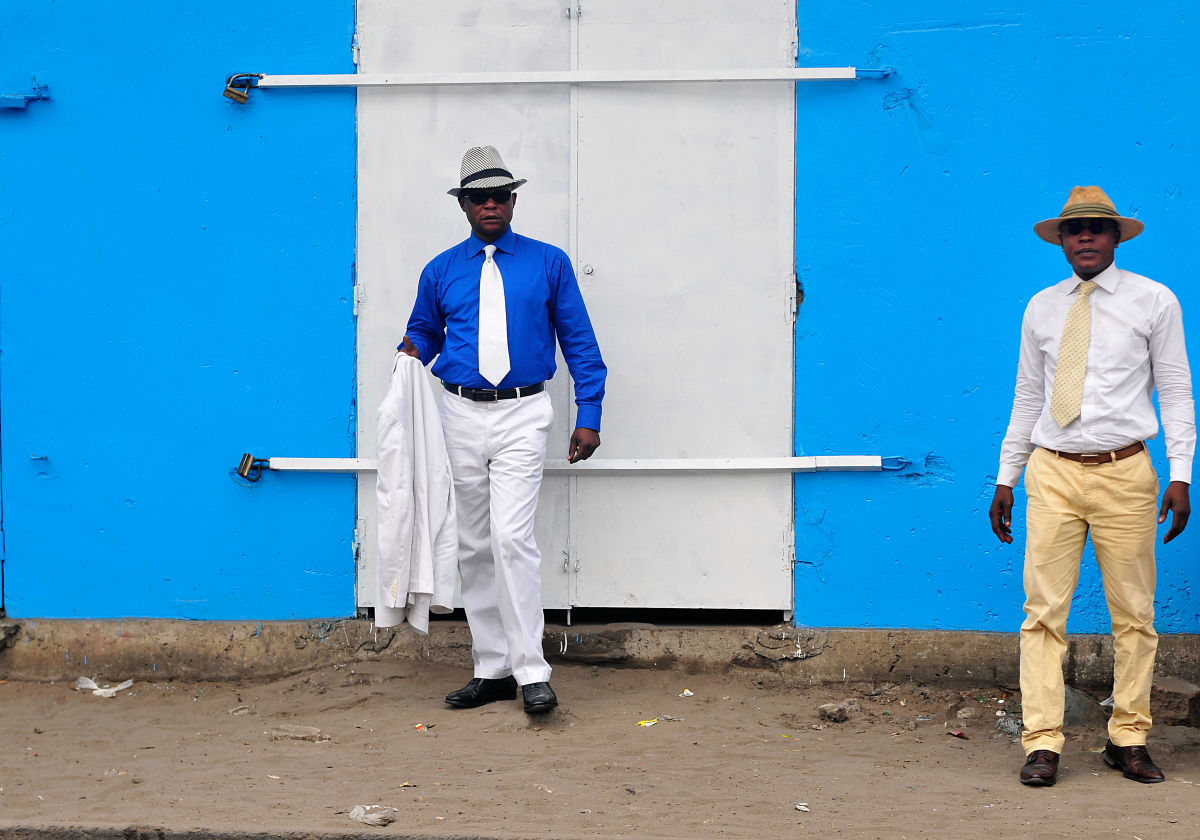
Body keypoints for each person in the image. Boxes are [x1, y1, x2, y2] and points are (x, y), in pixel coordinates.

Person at [989, 186, 1194, 786]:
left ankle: (1127, 737)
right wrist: (1008, 475)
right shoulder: (1041, 308)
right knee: (1042, 613)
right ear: (1060, 240)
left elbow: (1177, 390)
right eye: (1072, 229)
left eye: (1096, 229)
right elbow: (1028, 395)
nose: (1084, 237)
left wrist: (1180, 473)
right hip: (1051, 471)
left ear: (1115, 238)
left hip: (1126, 472)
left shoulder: (1154, 301)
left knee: (1134, 614)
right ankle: (1043, 743)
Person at [400, 145, 606, 714]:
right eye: (478, 197)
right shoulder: (441, 270)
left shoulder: (548, 262)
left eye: (500, 196)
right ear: (463, 205)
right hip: (459, 412)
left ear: (513, 201)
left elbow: (580, 342)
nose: (490, 205)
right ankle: (490, 666)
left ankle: (532, 670)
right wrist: (409, 356)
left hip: (522, 410)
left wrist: (589, 414)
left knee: (512, 539)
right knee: (472, 543)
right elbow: (424, 332)